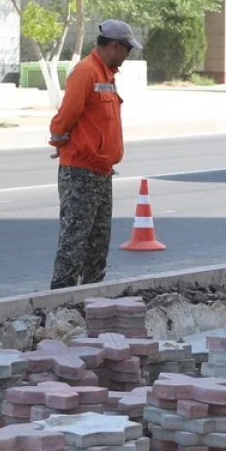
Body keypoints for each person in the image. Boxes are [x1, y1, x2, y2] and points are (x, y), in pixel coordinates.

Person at [48, 19, 141, 290]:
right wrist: (62, 141)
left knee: (97, 243)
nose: (128, 55)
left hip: (101, 171)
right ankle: (61, 301)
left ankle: (92, 298)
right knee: (74, 240)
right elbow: (65, 118)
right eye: (127, 50)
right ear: (115, 46)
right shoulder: (86, 72)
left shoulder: (107, 75)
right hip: (81, 171)